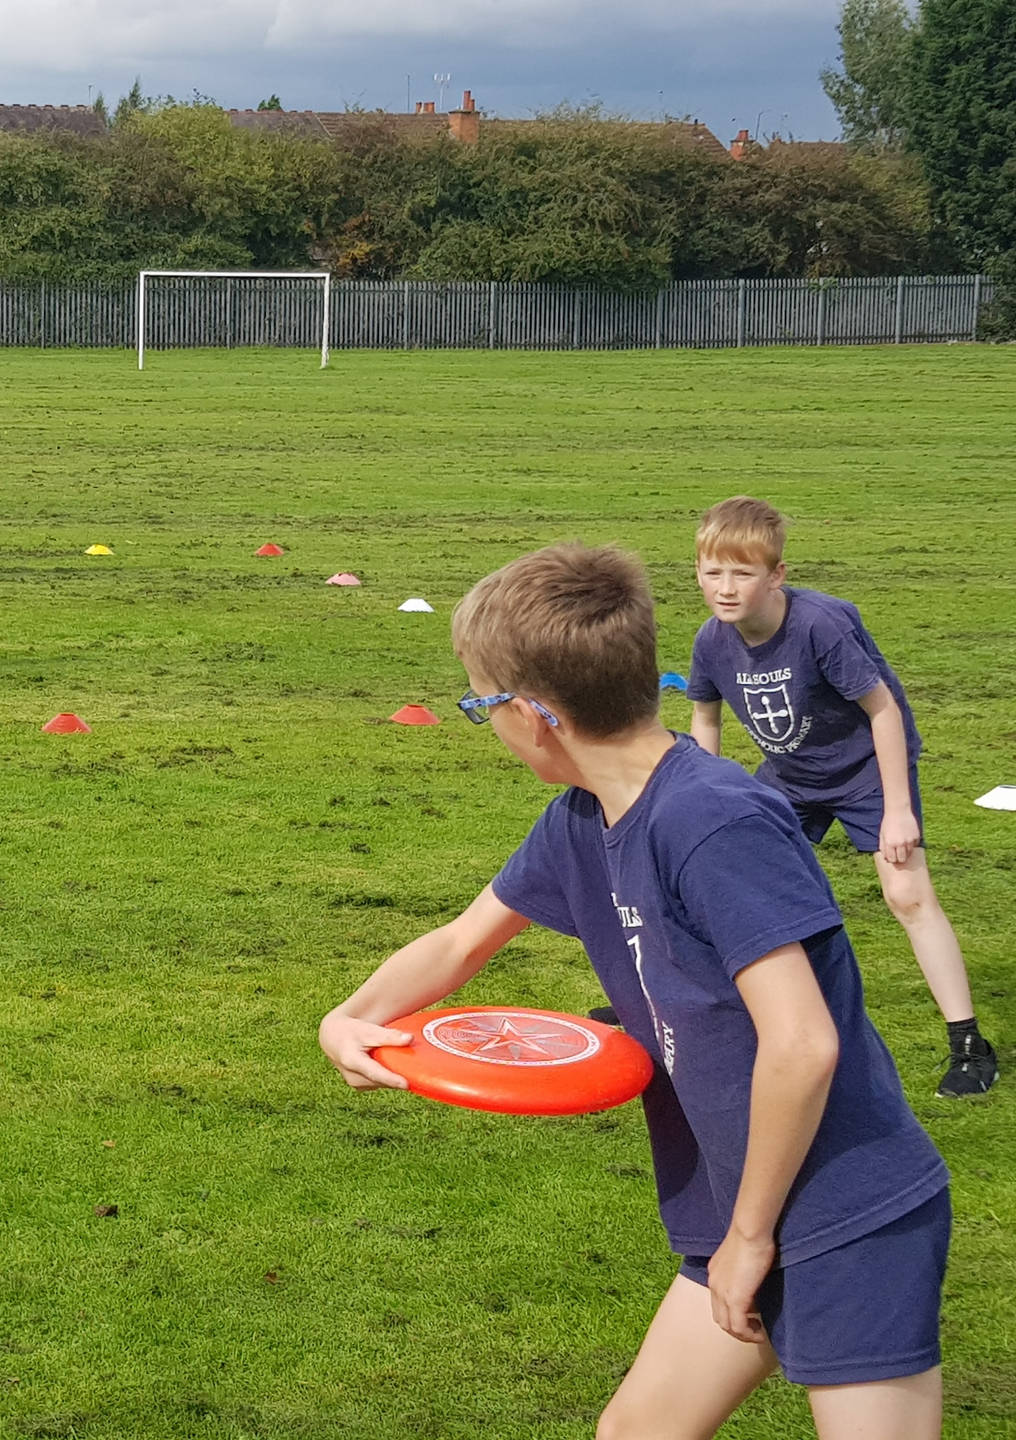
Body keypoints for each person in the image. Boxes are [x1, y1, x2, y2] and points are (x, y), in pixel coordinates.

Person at [319, 543, 950, 1440]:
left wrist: (749, 1240)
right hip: (740, 1200)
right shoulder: (584, 813)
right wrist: (351, 1017)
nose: (482, 722)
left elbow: (804, 1045)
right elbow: (462, 942)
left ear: (535, 716)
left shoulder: (713, 820)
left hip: (847, 1211)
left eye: (479, 703)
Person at [686, 497, 995, 1098]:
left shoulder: (818, 625)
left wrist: (898, 810)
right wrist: (708, 799)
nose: (725, 589)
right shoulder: (711, 640)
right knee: (728, 880)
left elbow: (883, 711)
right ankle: (705, 1011)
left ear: (776, 575)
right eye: (711, 572)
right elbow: (705, 721)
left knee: (907, 893)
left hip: (866, 774)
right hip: (790, 775)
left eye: (742, 574)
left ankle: (969, 1044)